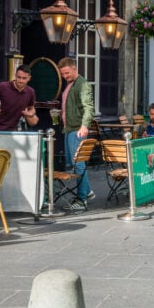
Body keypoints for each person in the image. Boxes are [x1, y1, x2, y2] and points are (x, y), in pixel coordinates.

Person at [58, 57, 95, 210]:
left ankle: (82, 199)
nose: (65, 76)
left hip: (77, 130)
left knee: (78, 164)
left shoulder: (82, 85)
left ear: (74, 68)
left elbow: (88, 107)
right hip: (69, 128)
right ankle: (88, 191)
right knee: (75, 163)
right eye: (62, 74)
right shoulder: (71, 85)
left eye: (67, 73)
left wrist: (84, 126)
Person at [0, 65, 39, 131]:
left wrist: (31, 114)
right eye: (19, 77)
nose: (21, 80)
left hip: (12, 130)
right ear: (15, 76)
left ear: (29, 78)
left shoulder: (30, 92)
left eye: (24, 78)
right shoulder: (2, 87)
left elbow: (31, 108)